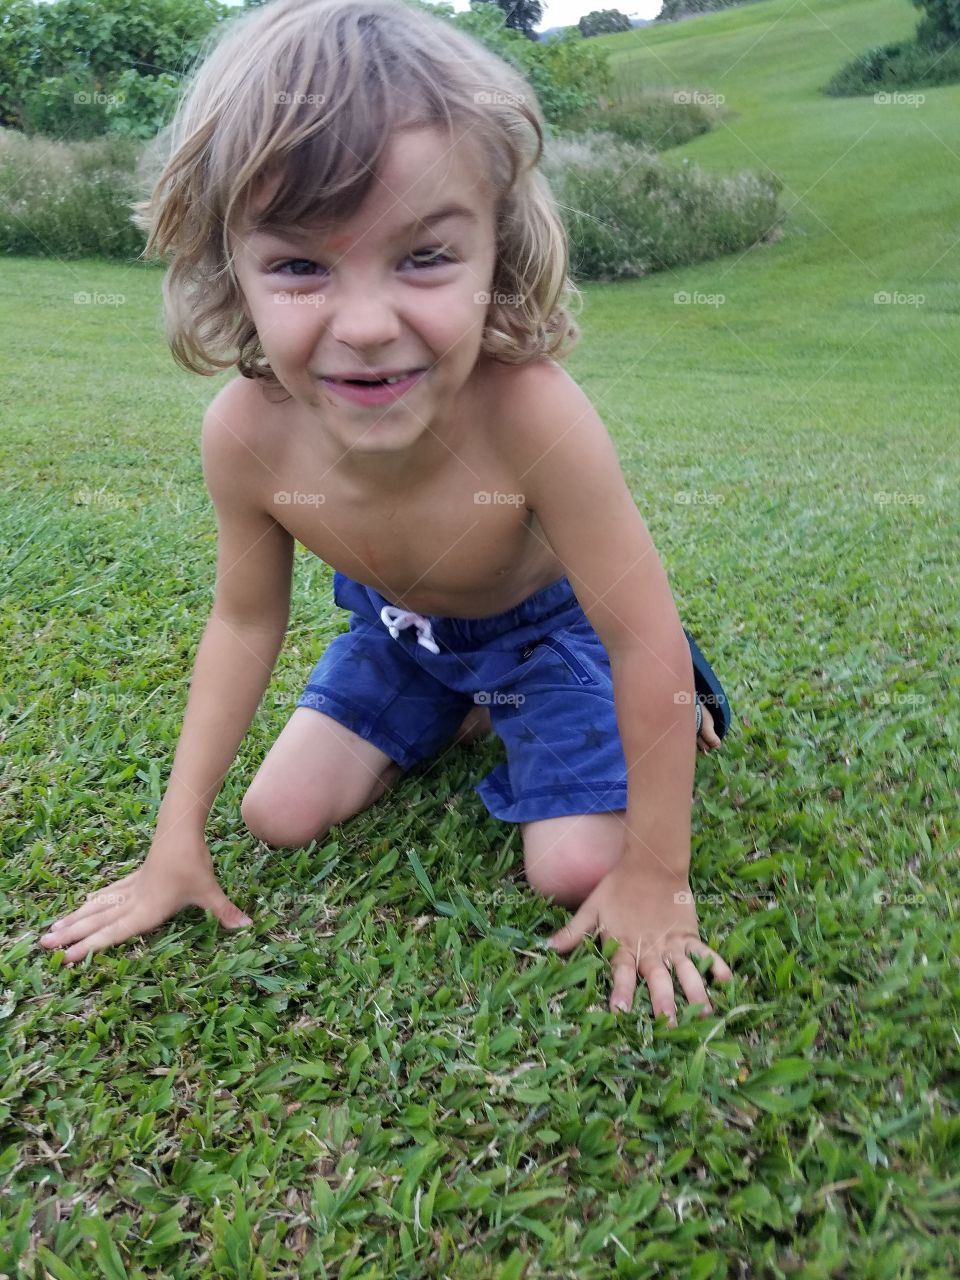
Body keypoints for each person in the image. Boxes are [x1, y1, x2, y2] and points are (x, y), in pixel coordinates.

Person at [39, 0, 734, 1023]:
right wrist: (172, 840)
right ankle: (461, 708)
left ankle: (654, 712)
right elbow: (242, 621)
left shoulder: (534, 413)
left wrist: (659, 873)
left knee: (579, 862)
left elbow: (642, 634)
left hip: (550, 636)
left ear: (498, 245)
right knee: (276, 814)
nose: (366, 326)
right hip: (401, 634)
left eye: (422, 256)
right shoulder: (244, 435)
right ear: (230, 266)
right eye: (300, 264)